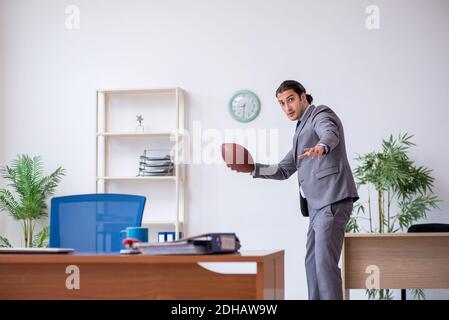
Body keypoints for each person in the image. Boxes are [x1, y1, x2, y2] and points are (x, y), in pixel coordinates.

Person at [241, 80, 358, 300]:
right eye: (282, 103)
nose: (287, 107)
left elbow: (329, 133)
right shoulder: (300, 131)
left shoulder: (320, 114)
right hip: (317, 207)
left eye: (291, 99)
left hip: (331, 199)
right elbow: (284, 169)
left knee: (324, 266)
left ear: (304, 97)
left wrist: (321, 147)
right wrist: (252, 168)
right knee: (312, 264)